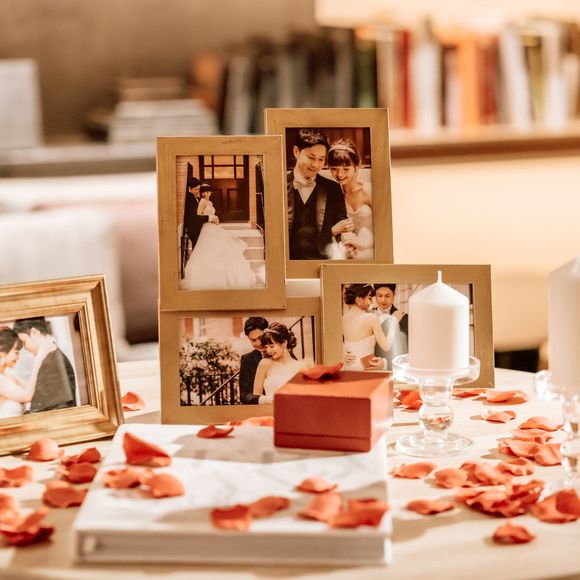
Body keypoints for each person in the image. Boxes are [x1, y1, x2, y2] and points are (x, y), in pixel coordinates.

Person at [287, 128, 353, 260]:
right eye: (311, 157)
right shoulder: (277, 186)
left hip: (322, 261)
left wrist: (344, 242)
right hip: (287, 261)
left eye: (321, 159)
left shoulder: (333, 189)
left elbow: (342, 223)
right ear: (296, 152)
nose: (315, 165)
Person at [181, 183, 257, 290]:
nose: (206, 194)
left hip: (213, 227)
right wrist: (210, 217)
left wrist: (214, 217)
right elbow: (198, 215)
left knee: (221, 249)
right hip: (206, 228)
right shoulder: (202, 201)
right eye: (204, 192)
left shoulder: (210, 202)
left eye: (208, 192)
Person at [12, 318, 77, 413]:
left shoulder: (50, 361)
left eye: (24, 342)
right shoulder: (53, 355)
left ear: (34, 332)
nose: (25, 348)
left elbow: (42, 411)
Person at [327, 138, 374, 260]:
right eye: (334, 168)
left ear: (357, 166)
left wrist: (364, 245)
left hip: (372, 250)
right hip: (348, 253)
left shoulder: (368, 191)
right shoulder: (333, 195)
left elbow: (388, 230)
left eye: (346, 169)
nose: (340, 174)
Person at [342, 284, 397, 371]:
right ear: (358, 299)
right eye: (370, 298)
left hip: (348, 367)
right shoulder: (371, 318)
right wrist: (394, 321)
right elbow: (386, 346)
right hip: (366, 367)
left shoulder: (343, 318)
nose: (371, 302)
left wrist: (342, 351)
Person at [252, 322, 303, 404]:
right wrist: (269, 400)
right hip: (269, 410)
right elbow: (256, 396)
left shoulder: (299, 367)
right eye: (266, 347)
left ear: (284, 343)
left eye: (272, 346)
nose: (268, 350)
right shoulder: (264, 364)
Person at [372, 283, 408, 370]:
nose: (383, 300)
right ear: (375, 295)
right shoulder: (368, 315)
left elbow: (405, 348)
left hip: (393, 367)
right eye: (380, 296)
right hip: (370, 366)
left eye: (387, 296)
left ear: (394, 294)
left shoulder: (404, 317)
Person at [238, 317, 268, 405]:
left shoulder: (284, 354)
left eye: (261, 338)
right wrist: (262, 400)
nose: (258, 343)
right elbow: (244, 395)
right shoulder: (247, 359)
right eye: (253, 340)